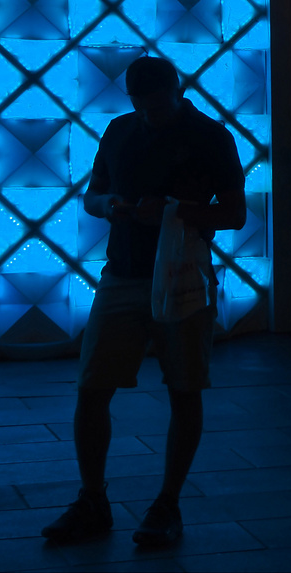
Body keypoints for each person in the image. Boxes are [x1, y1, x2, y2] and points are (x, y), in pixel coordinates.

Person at [42, 57, 245, 547]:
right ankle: (109, 500)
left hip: (179, 275)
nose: (149, 111)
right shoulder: (121, 131)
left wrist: (172, 213)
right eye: (140, 102)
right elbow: (94, 194)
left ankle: (154, 502)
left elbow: (235, 213)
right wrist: (111, 206)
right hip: (134, 272)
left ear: (176, 91)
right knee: (98, 388)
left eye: (156, 103)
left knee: (181, 387)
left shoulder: (210, 136)